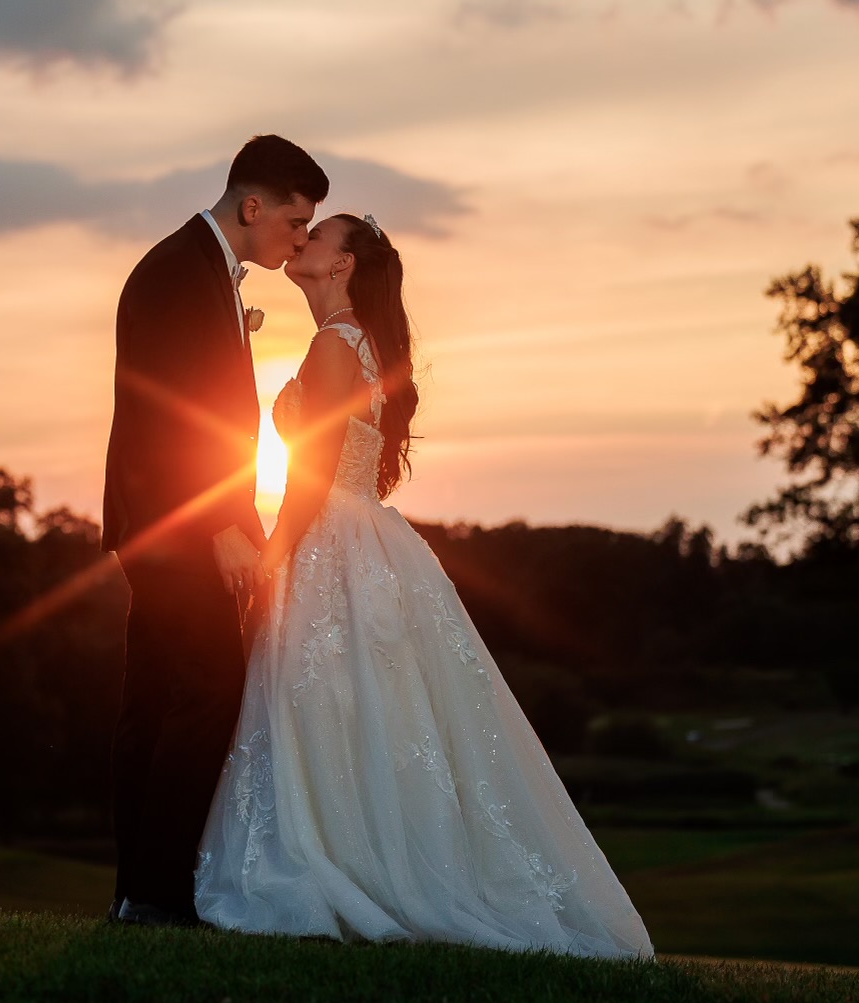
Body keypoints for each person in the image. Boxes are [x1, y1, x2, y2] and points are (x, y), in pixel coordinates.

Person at [194, 212, 653, 958]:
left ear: (341, 267)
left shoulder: (333, 343)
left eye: (319, 236)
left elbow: (311, 465)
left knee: (327, 701)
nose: (302, 240)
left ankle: (337, 859)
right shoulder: (356, 345)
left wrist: (277, 549)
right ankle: (366, 853)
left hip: (326, 535)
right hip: (364, 536)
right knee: (362, 707)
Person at [102, 134, 329, 926]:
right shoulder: (175, 273)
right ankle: (159, 894)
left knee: (157, 701)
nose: (299, 240)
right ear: (253, 205)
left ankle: (138, 892)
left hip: (166, 525)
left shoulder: (200, 271)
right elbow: (169, 422)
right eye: (295, 223)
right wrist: (221, 527)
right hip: (176, 527)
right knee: (205, 693)